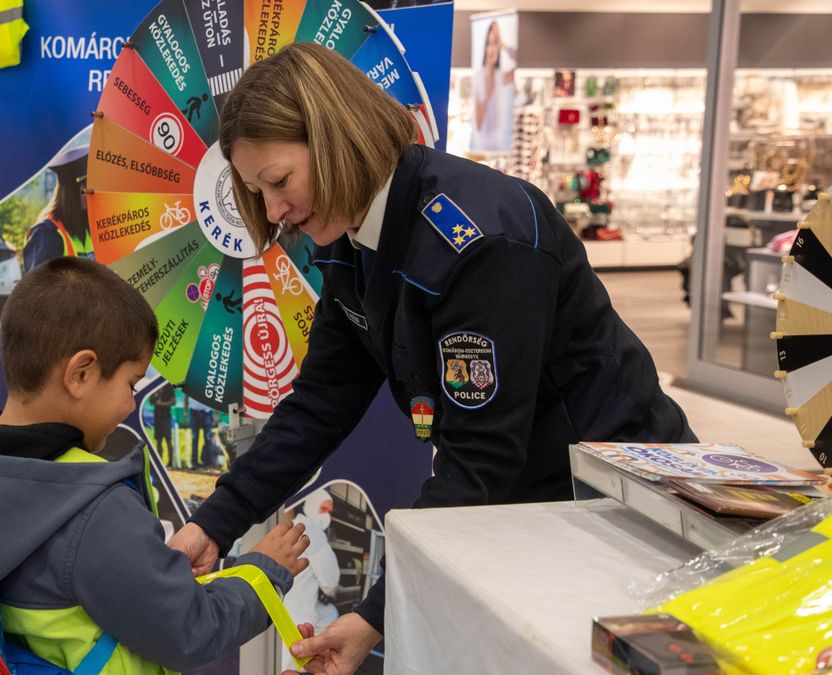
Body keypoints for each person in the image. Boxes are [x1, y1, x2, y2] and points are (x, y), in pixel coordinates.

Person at [166, 43, 695, 674]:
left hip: (620, 510)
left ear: (336, 138)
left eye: (278, 182)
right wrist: (215, 523)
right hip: (528, 507)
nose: (275, 213)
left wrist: (375, 612)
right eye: (258, 191)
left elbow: (483, 457)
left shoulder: (479, 241)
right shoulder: (349, 234)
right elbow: (320, 403)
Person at [0, 257, 310, 673]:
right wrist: (263, 571)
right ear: (80, 374)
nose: (131, 405)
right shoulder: (96, 509)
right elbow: (190, 631)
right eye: (130, 383)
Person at [281, 489, 340, 672]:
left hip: (279, 608)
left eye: (329, 511)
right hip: (298, 617)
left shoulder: (291, 526)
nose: (327, 514)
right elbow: (330, 583)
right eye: (323, 508)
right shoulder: (311, 530)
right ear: (312, 504)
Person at [23, 147, 93, 271]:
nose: (90, 195)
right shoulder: (47, 235)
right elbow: (37, 288)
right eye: (84, 189)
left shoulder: (88, 230)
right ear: (70, 193)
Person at [471, 20, 516, 153]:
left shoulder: (501, 75)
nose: (492, 49)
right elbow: (479, 123)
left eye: (496, 43)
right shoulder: (478, 76)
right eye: (490, 44)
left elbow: (517, 59)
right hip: (482, 144)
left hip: (501, 143)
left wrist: (502, 44)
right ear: (485, 47)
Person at [151, 383, 177, 465]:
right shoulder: (154, 386)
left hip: (166, 416)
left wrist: (162, 404)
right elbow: (151, 401)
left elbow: (174, 401)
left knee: (168, 439)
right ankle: (160, 463)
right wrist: (154, 398)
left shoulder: (168, 385)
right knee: (158, 440)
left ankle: (170, 463)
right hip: (157, 417)